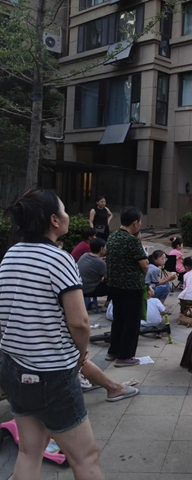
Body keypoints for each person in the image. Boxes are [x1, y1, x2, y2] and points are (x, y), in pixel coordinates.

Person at [0, 189, 104, 479]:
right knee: (85, 457)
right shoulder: (59, 259)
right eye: (64, 210)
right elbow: (80, 322)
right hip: (52, 373)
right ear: (54, 220)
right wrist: (80, 353)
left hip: (13, 367)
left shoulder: (10, 255)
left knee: (29, 451)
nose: (68, 215)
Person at [105, 206, 149, 368]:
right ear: (135, 223)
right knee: (131, 322)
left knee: (118, 319)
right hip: (131, 287)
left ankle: (113, 351)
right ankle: (125, 356)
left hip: (114, 285)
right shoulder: (132, 240)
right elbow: (145, 265)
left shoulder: (112, 237)